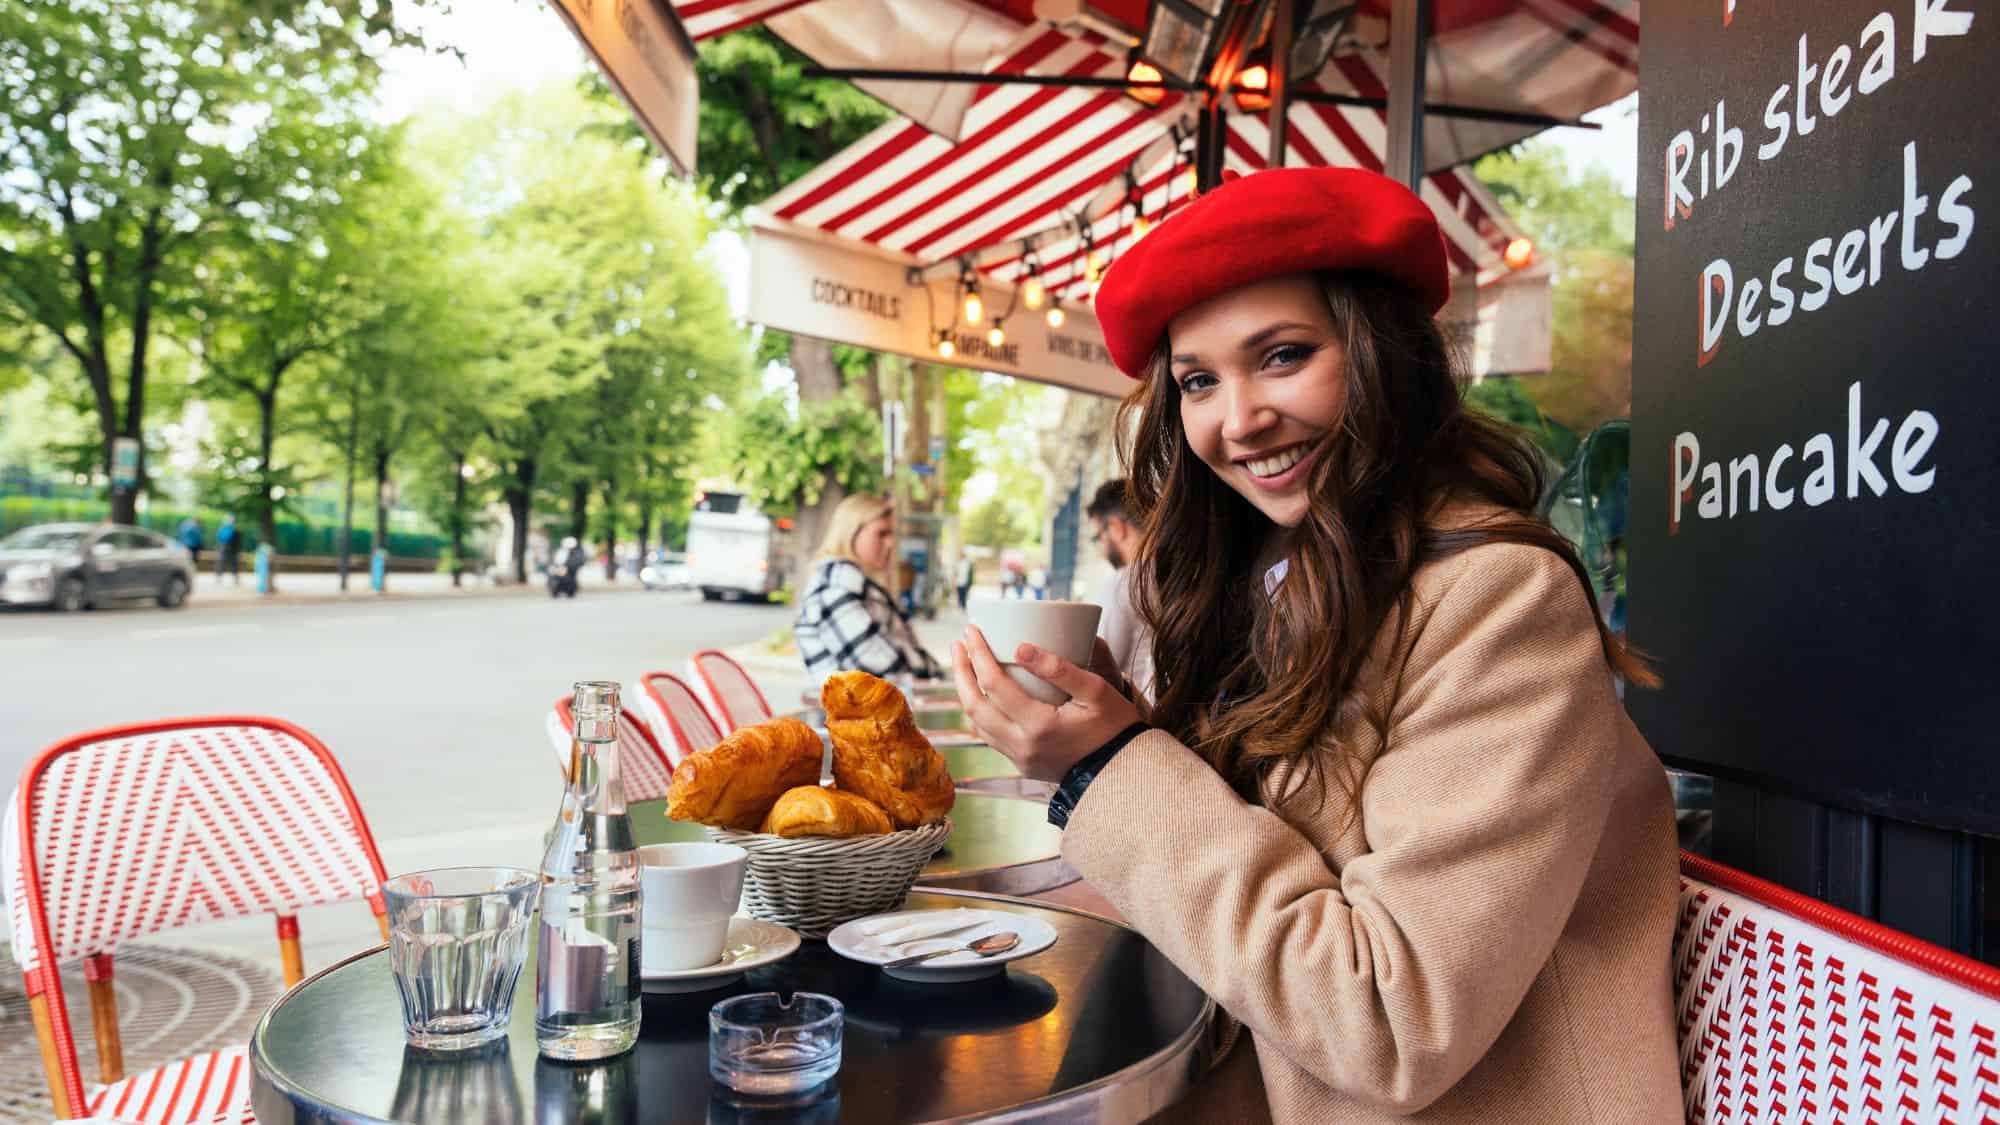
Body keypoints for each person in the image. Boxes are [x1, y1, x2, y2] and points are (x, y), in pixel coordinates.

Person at [949, 168, 1680, 1123]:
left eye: (1284, 355)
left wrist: (1111, 767)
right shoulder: (1270, 585)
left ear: (1383, 356)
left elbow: (1390, 1019)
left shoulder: (1500, 602)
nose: (1239, 417)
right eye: (1199, 381)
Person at [794, 494, 942, 683]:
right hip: (861, 710)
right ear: (851, 533)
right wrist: (938, 677)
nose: (890, 543)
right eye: (881, 534)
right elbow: (879, 667)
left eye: (892, 534)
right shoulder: (835, 584)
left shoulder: (855, 584)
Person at [1084, 479, 1154, 703]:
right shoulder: (1180, 574)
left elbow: (1097, 663)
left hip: (1136, 717)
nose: (1101, 550)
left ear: (1116, 527)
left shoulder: (1124, 582)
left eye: (1098, 538)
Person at [214, 513, 241, 584]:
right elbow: (237, 541)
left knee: (222, 562)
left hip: (223, 547)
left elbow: (218, 538)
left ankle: (219, 578)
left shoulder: (222, 528)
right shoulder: (233, 529)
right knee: (233, 563)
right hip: (230, 548)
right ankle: (235, 579)